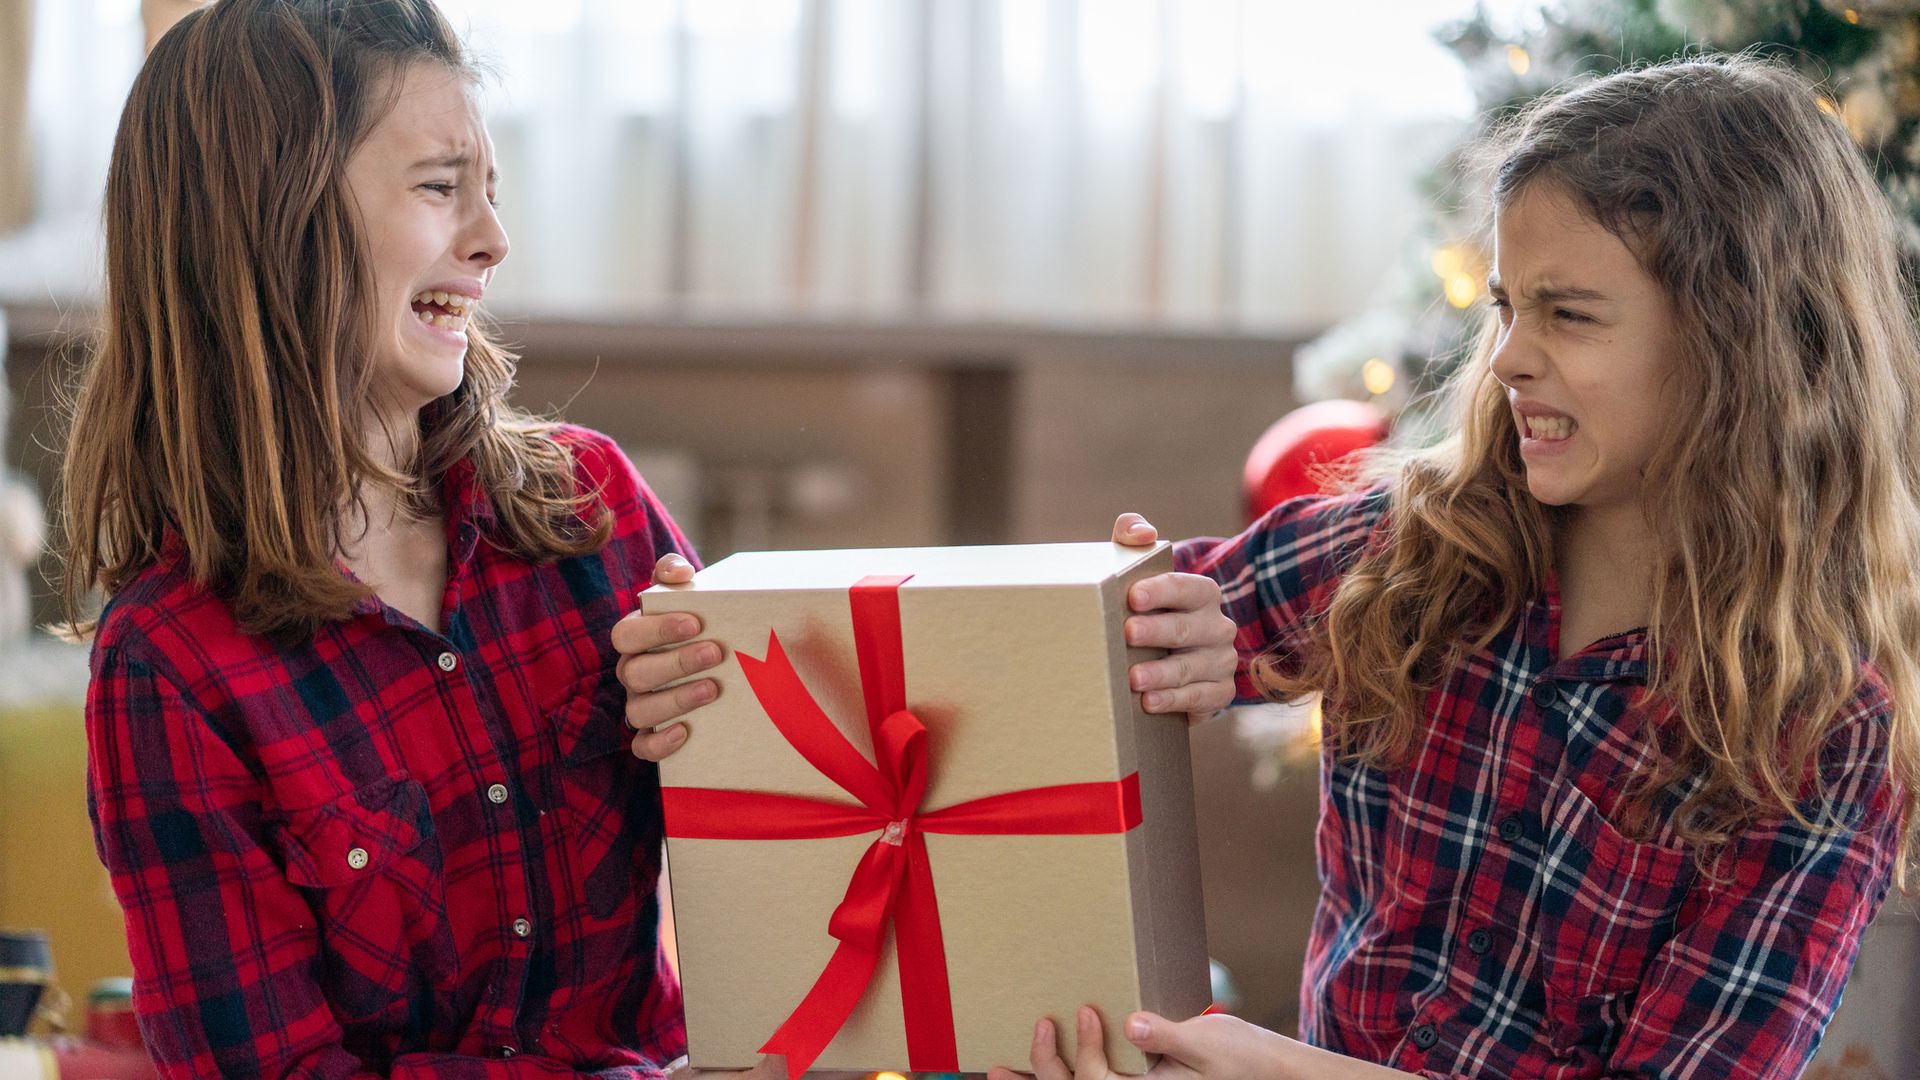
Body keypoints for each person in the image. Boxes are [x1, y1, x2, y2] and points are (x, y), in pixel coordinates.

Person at [64, 3, 1237, 1077]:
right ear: (271, 221)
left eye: (491, 189)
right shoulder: (169, 665)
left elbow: (853, 800)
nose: (492, 238)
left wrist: (1115, 644)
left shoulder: (588, 508)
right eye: (440, 187)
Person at [979, 56, 1920, 1080]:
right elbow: (1107, 637)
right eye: (1507, 305)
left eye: (1569, 314)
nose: (1508, 356)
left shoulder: (1825, 737)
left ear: (1735, 345)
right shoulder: (1411, 551)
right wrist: (1170, 626)